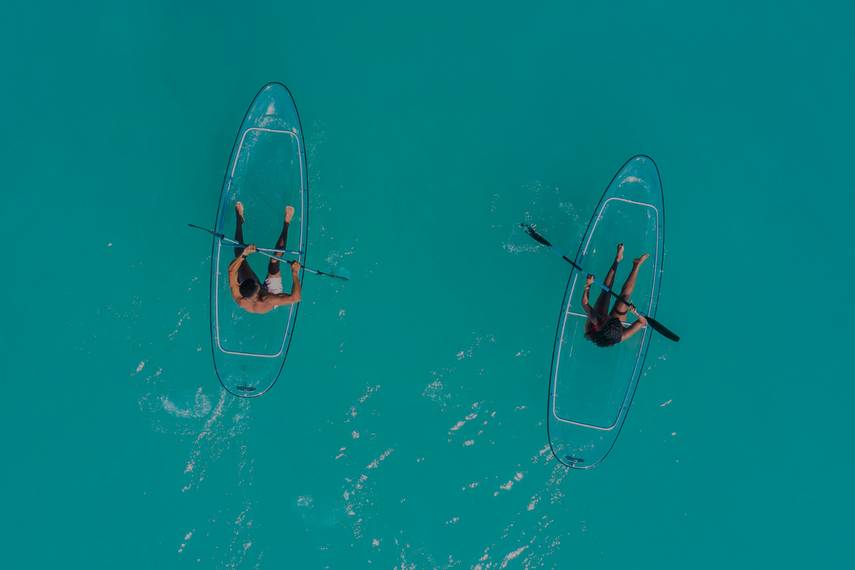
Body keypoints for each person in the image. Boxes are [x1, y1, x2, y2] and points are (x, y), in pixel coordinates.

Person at [227, 201, 301, 314]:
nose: (257, 281)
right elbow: (296, 298)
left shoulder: (240, 298)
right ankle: (287, 222)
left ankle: (239, 220)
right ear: (257, 287)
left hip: (252, 291)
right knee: (274, 261)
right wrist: (294, 272)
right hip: (272, 292)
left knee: (238, 253)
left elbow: (231, 270)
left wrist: (244, 254)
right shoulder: (269, 299)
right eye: (256, 282)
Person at [582, 243, 648, 347]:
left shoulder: (597, 320)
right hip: (611, 328)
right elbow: (643, 322)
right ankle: (637, 265)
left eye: (606, 318)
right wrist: (635, 313)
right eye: (608, 318)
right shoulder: (621, 335)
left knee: (606, 292)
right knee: (624, 299)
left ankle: (617, 259)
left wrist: (588, 285)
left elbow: (585, 304)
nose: (607, 316)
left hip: (597, 327)